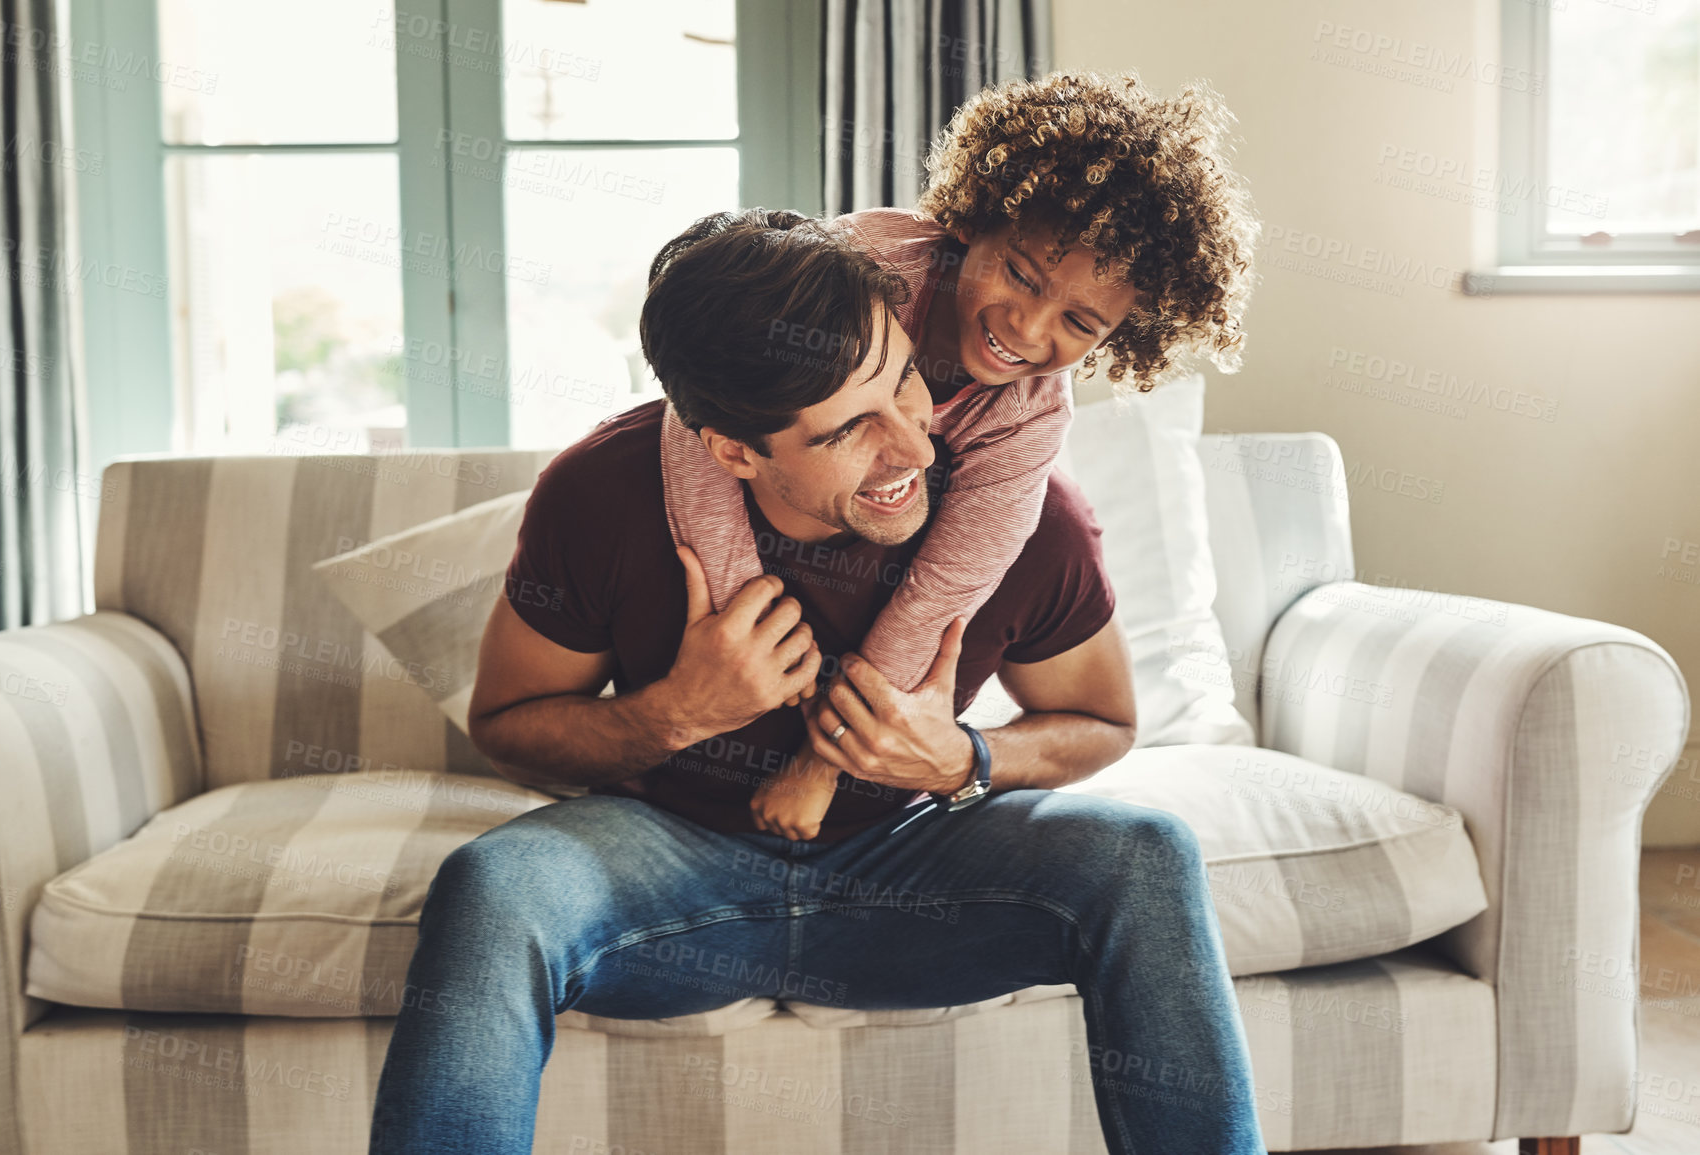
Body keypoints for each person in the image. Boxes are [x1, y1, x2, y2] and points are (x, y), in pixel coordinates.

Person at [366, 208, 1266, 1155]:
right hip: (667, 863)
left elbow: (1099, 720)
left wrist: (964, 757)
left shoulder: (1024, 516)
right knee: (492, 885)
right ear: (734, 451)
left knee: (1146, 852)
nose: (916, 450)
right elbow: (507, 724)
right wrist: (675, 712)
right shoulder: (603, 491)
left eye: (906, 386)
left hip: (909, 871)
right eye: (849, 430)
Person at [658, 70, 1259, 842]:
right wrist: (753, 624)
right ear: (977, 219)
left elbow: (943, 590)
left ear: (1119, 336)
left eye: (1079, 321)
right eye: (1019, 273)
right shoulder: (863, 263)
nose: (1027, 329)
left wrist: (822, 761)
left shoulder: (1028, 420)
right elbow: (703, 401)